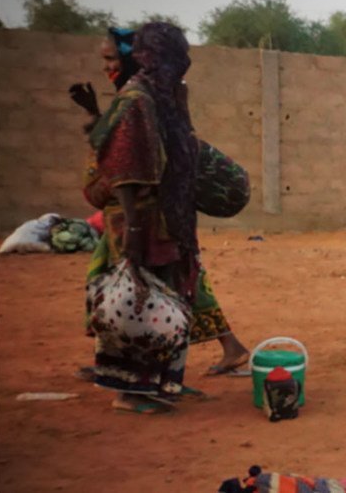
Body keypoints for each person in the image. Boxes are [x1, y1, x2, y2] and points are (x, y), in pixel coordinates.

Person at [73, 27, 251, 379]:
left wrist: (134, 230)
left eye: (111, 58)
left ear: (136, 57)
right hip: (156, 219)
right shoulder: (151, 97)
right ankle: (134, 374)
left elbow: (130, 167)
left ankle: (133, 382)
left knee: (139, 295)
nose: (106, 66)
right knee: (143, 293)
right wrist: (96, 115)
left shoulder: (140, 100)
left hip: (144, 220)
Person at [82, 22, 199, 414]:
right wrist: (133, 231)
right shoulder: (137, 100)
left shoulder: (161, 96)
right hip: (141, 221)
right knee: (137, 299)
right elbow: (126, 170)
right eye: (176, 55)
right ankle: (129, 391)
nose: (184, 62)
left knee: (164, 296)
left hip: (165, 217)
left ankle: (158, 384)